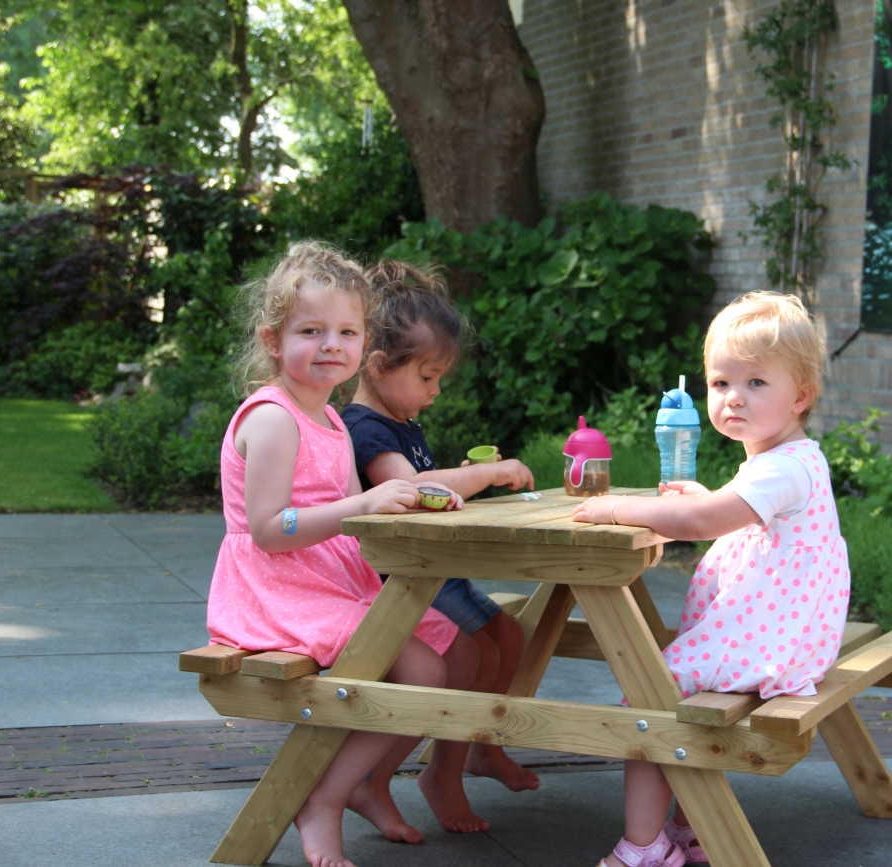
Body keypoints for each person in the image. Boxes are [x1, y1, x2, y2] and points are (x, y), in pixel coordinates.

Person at [206, 241, 480, 867]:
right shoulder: (274, 419)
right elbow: (269, 529)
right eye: (312, 330)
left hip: (331, 578)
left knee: (445, 648)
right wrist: (361, 507)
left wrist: (413, 498)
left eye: (347, 331)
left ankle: (367, 782)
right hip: (278, 589)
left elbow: (360, 509)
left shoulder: (330, 419)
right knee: (420, 669)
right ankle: (321, 799)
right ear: (273, 340)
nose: (332, 344)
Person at [573, 291, 851, 867]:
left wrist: (619, 509)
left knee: (648, 698)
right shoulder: (787, 461)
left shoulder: (781, 470)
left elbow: (702, 522)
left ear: (801, 395)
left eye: (755, 384)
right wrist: (711, 497)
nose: (733, 399)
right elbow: (730, 509)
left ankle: (645, 849)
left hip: (771, 646)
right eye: (721, 383)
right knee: (667, 684)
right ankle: (688, 829)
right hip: (789, 638)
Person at [341, 258, 539, 834]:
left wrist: (465, 483)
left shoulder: (399, 422)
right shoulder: (365, 428)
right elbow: (412, 490)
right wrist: (483, 474)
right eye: (426, 377)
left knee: (508, 634)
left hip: (436, 570)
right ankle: (429, 774)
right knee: (471, 656)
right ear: (378, 367)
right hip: (401, 582)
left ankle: (478, 745)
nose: (434, 390)